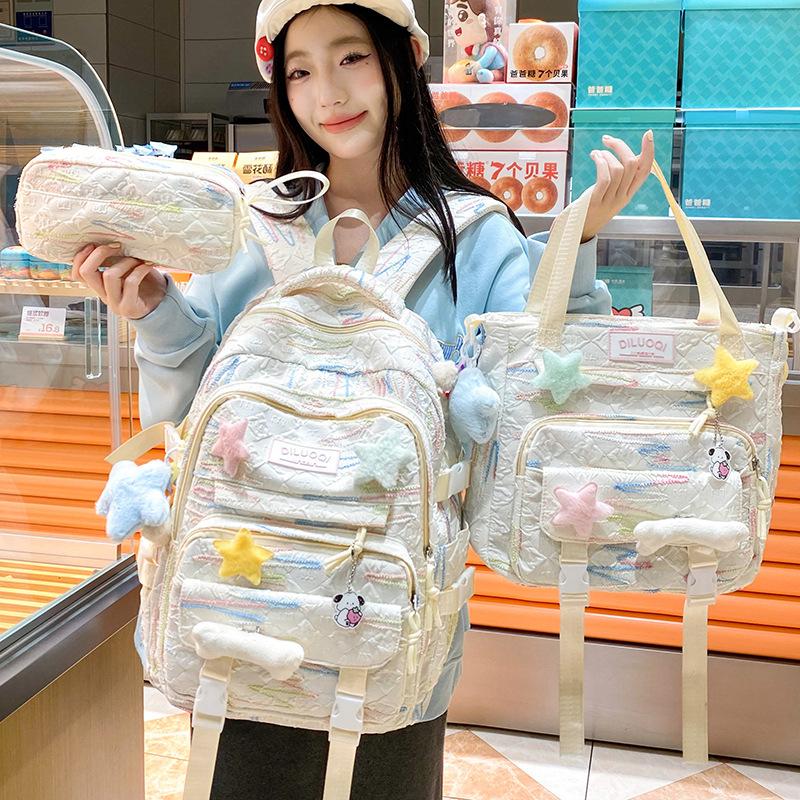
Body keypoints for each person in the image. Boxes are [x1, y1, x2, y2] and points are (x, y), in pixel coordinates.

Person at [72, 2, 654, 797]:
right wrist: (151, 310)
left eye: (350, 57)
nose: (328, 93)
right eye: (300, 70)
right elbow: (186, 425)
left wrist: (575, 244)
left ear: (403, 60)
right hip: (244, 597)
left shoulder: (477, 237)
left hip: (391, 613)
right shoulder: (253, 227)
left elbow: (536, 406)